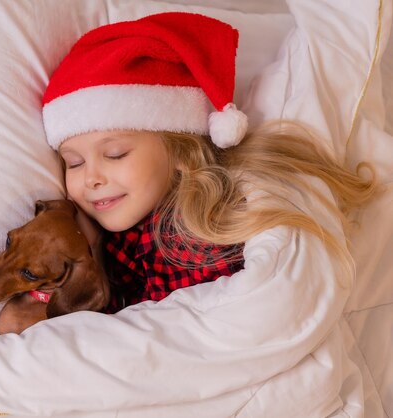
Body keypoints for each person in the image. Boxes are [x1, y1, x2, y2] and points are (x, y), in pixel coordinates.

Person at [41, 12, 378, 313]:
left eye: (115, 154)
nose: (92, 178)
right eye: (73, 163)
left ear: (180, 153)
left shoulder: (192, 235)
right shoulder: (120, 242)